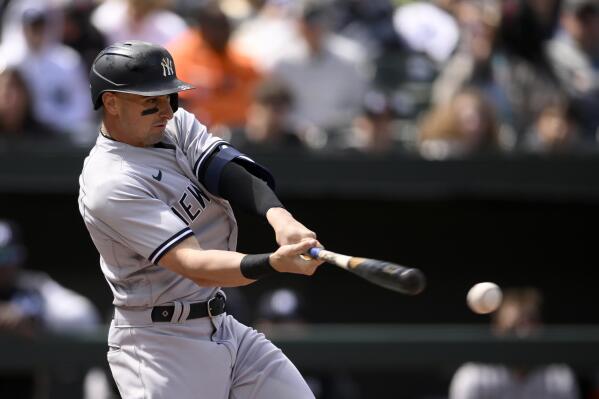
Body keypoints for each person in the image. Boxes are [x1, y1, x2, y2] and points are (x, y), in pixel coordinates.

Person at [78, 40, 324, 399]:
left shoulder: (171, 125)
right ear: (111, 102)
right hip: (161, 346)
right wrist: (274, 262)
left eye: (169, 97)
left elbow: (226, 171)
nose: (166, 109)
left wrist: (281, 218)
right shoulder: (109, 182)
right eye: (151, 101)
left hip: (221, 323)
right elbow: (194, 263)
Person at [0, 218, 101, 398]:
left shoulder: (33, 288)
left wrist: (36, 317)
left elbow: (85, 316)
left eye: (6, 256)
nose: (2, 266)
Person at [449, 287, 581, 399]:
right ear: (497, 330)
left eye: (530, 325)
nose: (522, 334)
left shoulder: (559, 377)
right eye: (513, 328)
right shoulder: (473, 377)